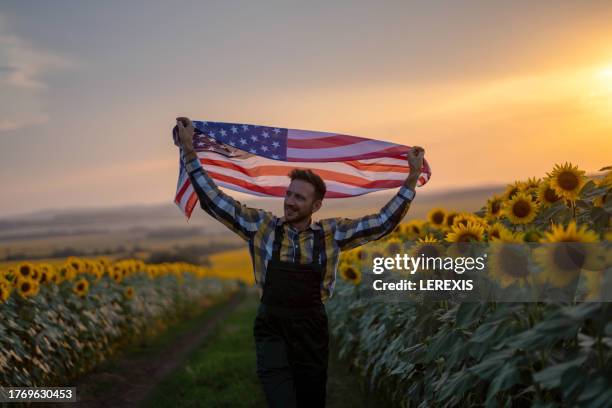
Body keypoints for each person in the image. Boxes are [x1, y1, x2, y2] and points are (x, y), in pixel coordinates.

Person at [175, 117, 425, 408]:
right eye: (289, 194)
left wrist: (411, 178)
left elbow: (382, 222)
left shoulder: (333, 233)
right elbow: (215, 201)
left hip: (311, 330)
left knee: (311, 401)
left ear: (316, 206)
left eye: (300, 198)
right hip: (272, 327)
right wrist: (190, 151)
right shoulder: (262, 226)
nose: (290, 202)